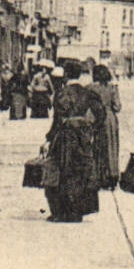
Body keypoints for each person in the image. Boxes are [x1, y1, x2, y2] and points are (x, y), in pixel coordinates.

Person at [42, 61, 104, 223]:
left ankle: (63, 212)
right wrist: (90, 128)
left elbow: (58, 120)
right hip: (82, 137)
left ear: (66, 75)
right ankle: (77, 211)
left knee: (62, 170)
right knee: (80, 171)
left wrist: (49, 139)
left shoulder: (62, 93)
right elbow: (100, 113)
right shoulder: (87, 93)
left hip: (65, 136)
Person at [91, 63, 122, 189]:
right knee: (111, 147)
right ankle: (112, 175)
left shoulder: (90, 88)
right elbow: (117, 106)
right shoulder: (113, 88)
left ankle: (98, 175)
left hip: (95, 117)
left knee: (96, 147)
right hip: (109, 119)